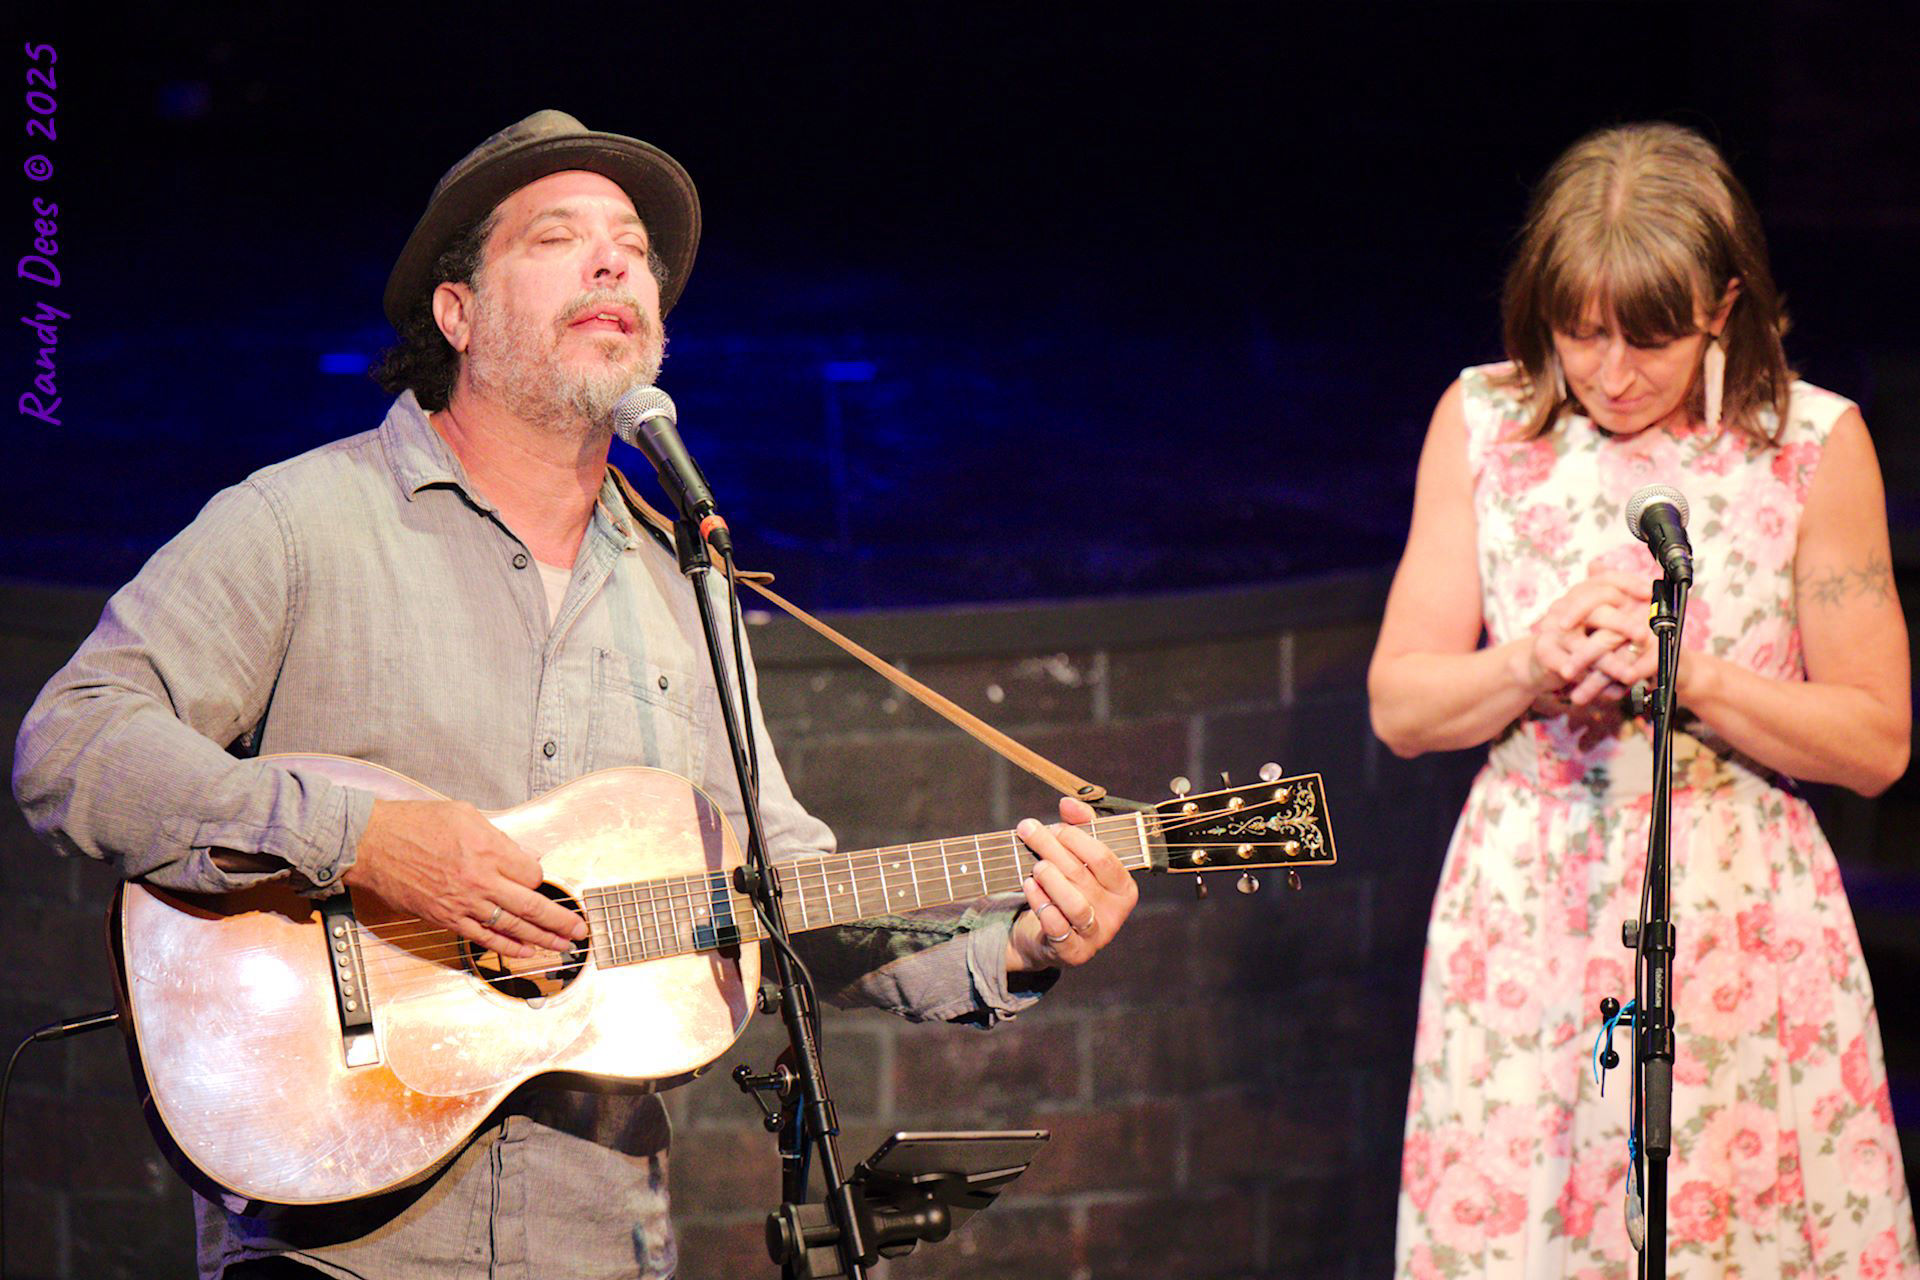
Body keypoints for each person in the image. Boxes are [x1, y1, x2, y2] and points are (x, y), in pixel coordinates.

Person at [11, 110, 1139, 1280]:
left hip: (601, 1244)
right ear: (458, 313)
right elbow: (73, 742)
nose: (615, 261)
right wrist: (363, 840)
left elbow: (783, 898)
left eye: (634, 246)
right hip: (336, 1246)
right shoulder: (301, 523)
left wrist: (1015, 943)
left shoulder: (688, 588)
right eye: (560, 235)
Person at [1368, 122, 1917, 1277]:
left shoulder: (1813, 444)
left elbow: (1876, 739)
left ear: (1722, 307)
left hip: (1735, 910)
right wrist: (1529, 663)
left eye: (1650, 340)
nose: (1611, 373)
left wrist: (1690, 679)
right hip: (1527, 902)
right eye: (1582, 334)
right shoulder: (1482, 423)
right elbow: (1402, 704)